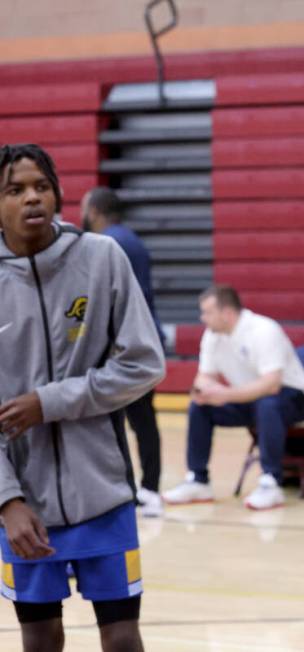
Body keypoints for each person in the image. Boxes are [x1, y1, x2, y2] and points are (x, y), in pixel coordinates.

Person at [0, 144, 166, 651]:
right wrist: (6, 501)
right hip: (24, 505)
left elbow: (144, 364)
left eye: (41, 186)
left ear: (59, 193)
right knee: (41, 638)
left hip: (105, 497)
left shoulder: (101, 258)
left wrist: (50, 401)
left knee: (120, 638)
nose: (32, 198)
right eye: (15, 189)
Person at [162, 285, 304, 510]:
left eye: (207, 312)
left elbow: (272, 384)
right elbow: (203, 378)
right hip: (248, 397)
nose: (202, 318)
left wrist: (225, 394)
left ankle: (270, 483)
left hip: (294, 396)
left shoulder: (263, 330)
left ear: (227, 313)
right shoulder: (213, 335)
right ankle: (198, 480)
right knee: (200, 407)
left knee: (268, 404)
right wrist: (204, 391)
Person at [81, 187, 166, 518]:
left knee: (122, 423)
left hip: (124, 347)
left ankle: (135, 492)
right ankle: (147, 489)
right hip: (140, 341)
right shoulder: (131, 240)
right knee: (142, 421)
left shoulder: (107, 245)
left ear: (96, 211)